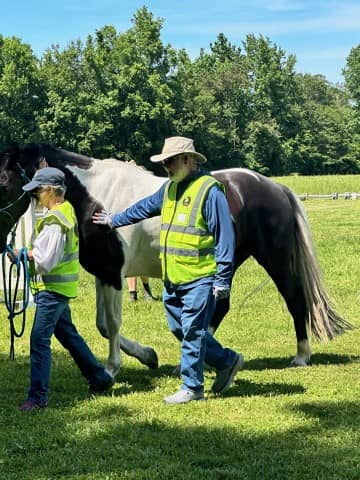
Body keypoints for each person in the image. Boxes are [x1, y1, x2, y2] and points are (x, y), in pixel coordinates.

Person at [93, 136, 244, 404]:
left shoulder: (210, 191)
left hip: (200, 276)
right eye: (164, 164)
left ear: (188, 160)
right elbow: (143, 208)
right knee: (180, 329)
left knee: (192, 332)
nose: (167, 168)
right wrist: (113, 220)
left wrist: (222, 278)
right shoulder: (170, 189)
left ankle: (192, 387)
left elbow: (224, 237)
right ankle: (227, 360)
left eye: (170, 162)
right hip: (173, 277)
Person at [17, 167, 114, 412]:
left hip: (52, 290)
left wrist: (25, 255)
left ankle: (38, 397)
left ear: (50, 190)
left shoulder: (55, 220)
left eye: (38, 190)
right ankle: (100, 378)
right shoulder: (66, 209)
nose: (36, 195)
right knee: (69, 336)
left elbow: (46, 260)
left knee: (39, 341)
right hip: (59, 288)